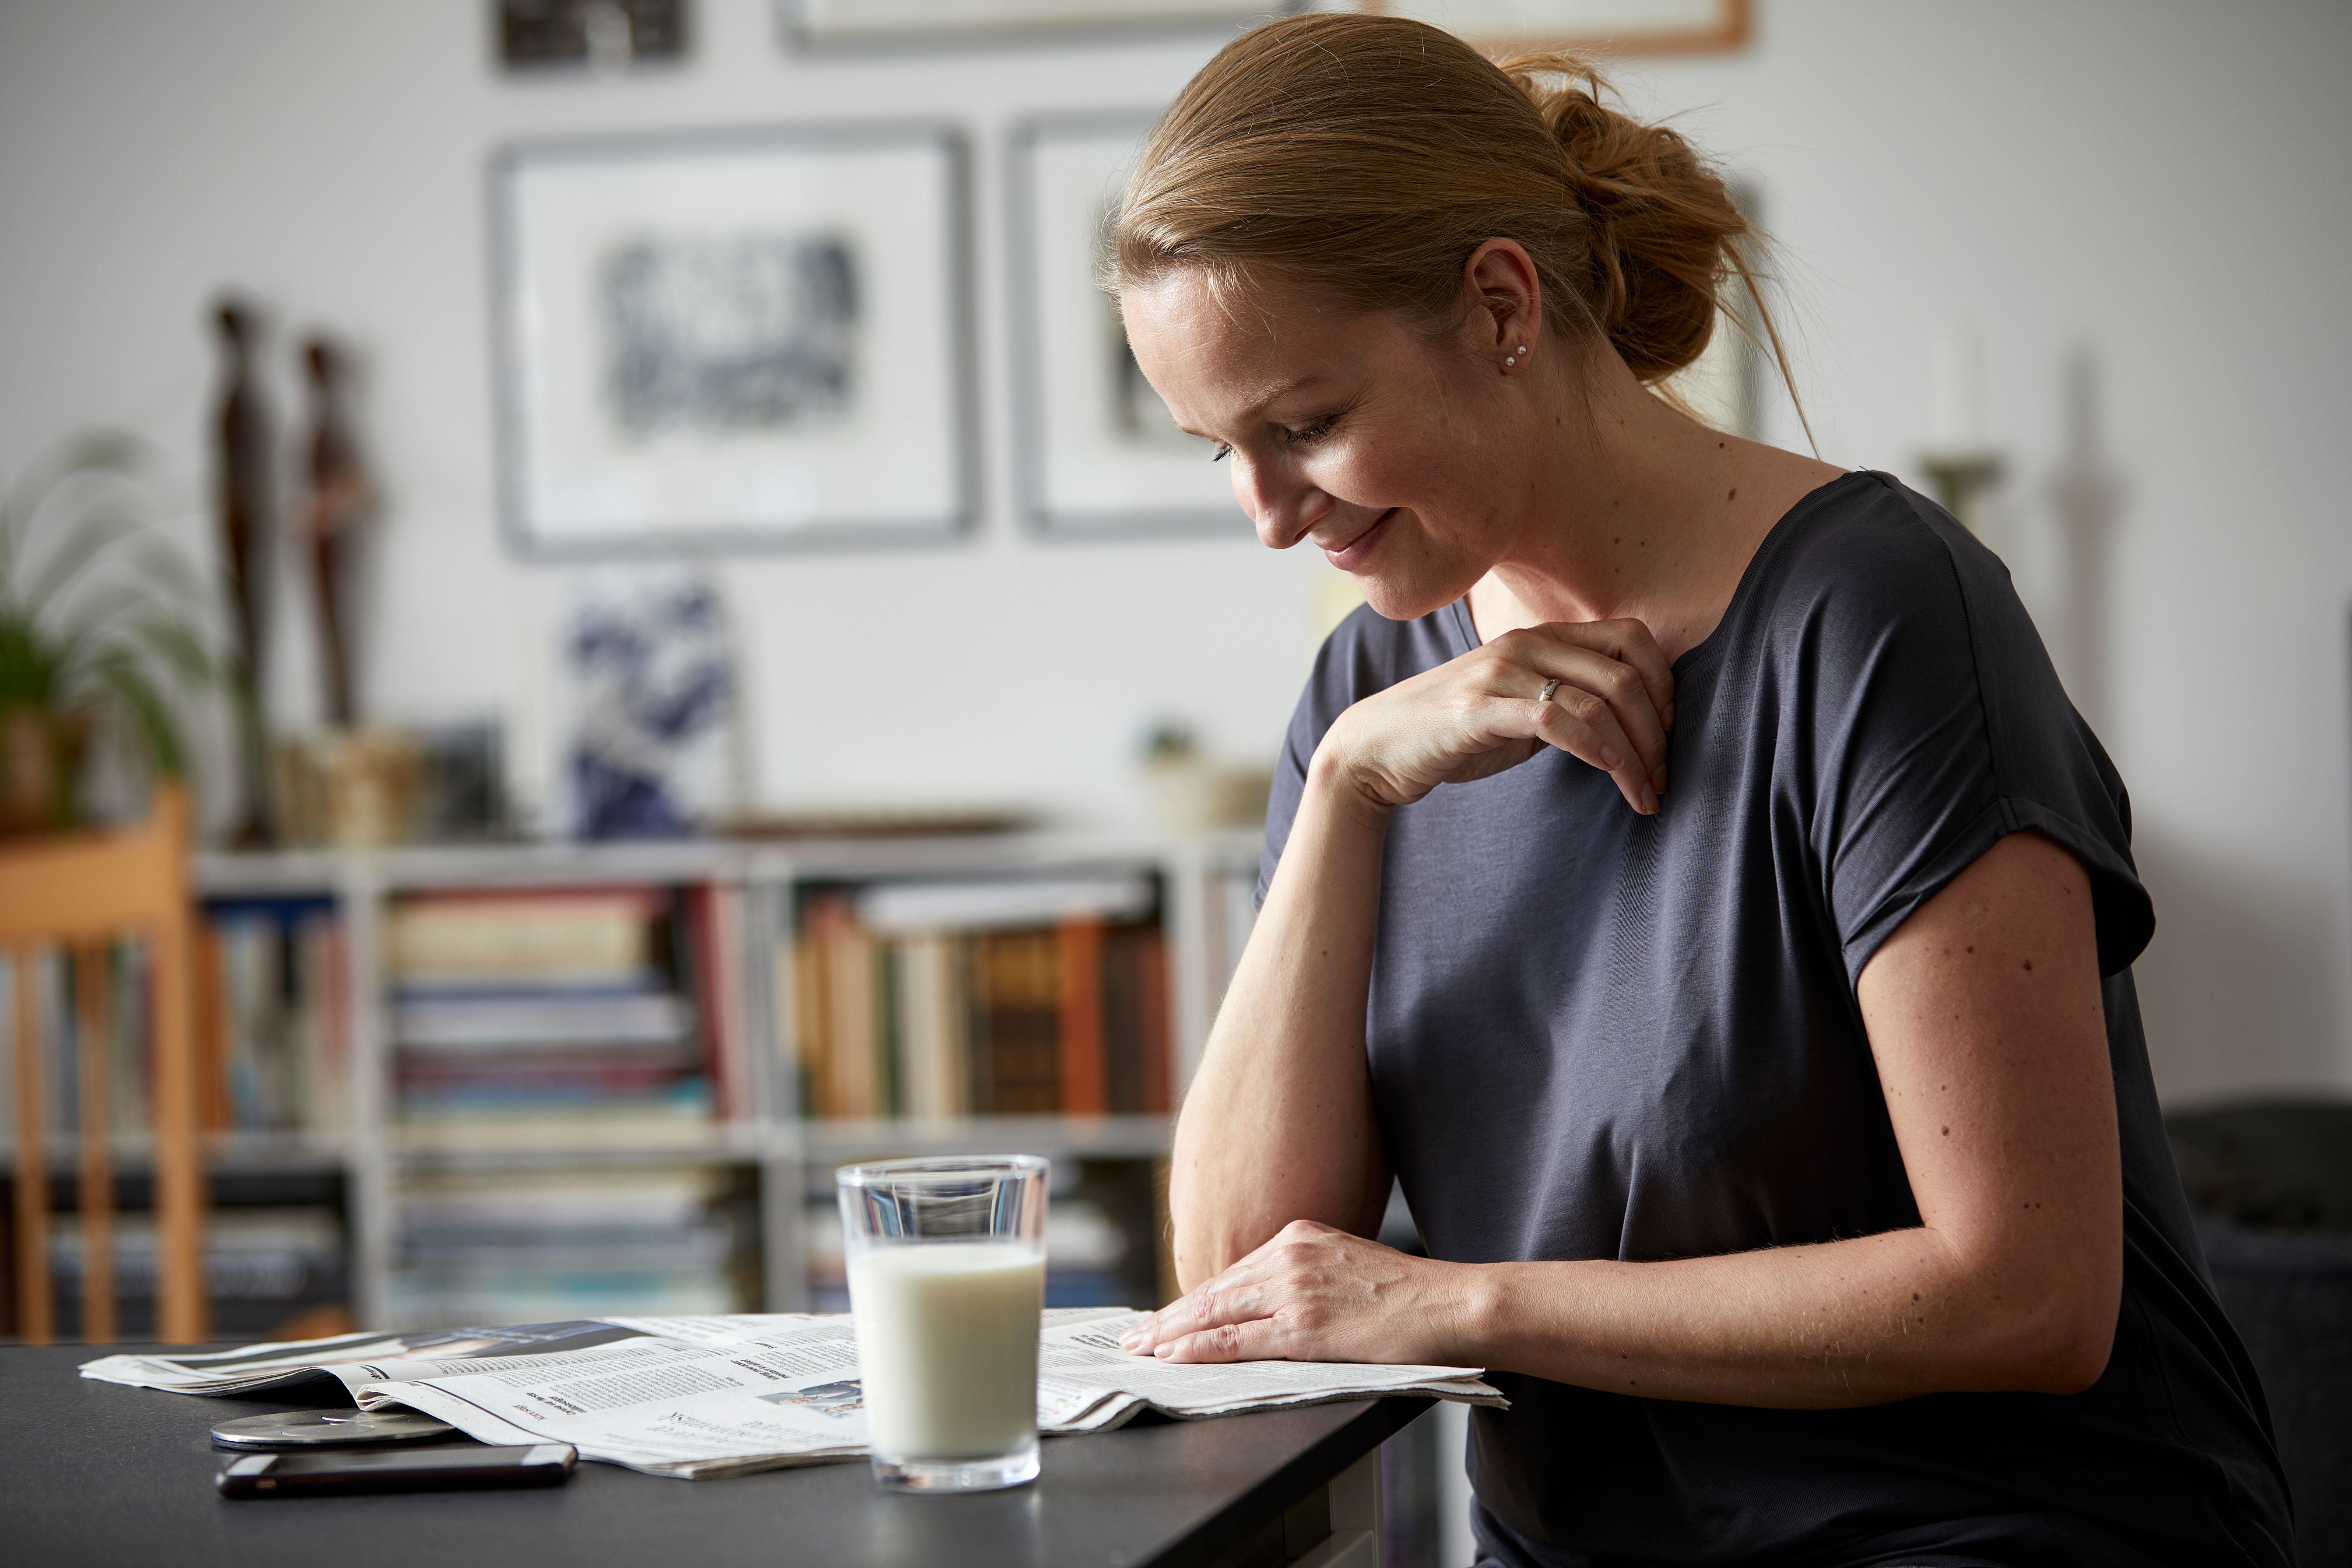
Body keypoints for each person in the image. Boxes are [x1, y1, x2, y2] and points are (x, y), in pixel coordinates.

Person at [1108, 14, 2294, 1567]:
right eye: (1223, 454)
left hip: (1982, 1532)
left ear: (1498, 303)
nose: (1271, 520)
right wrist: (1338, 792)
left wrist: (1467, 1306)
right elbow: (1241, 1282)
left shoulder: (1878, 613)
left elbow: (2026, 1293)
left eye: (1307, 426)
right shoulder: (1371, 699)